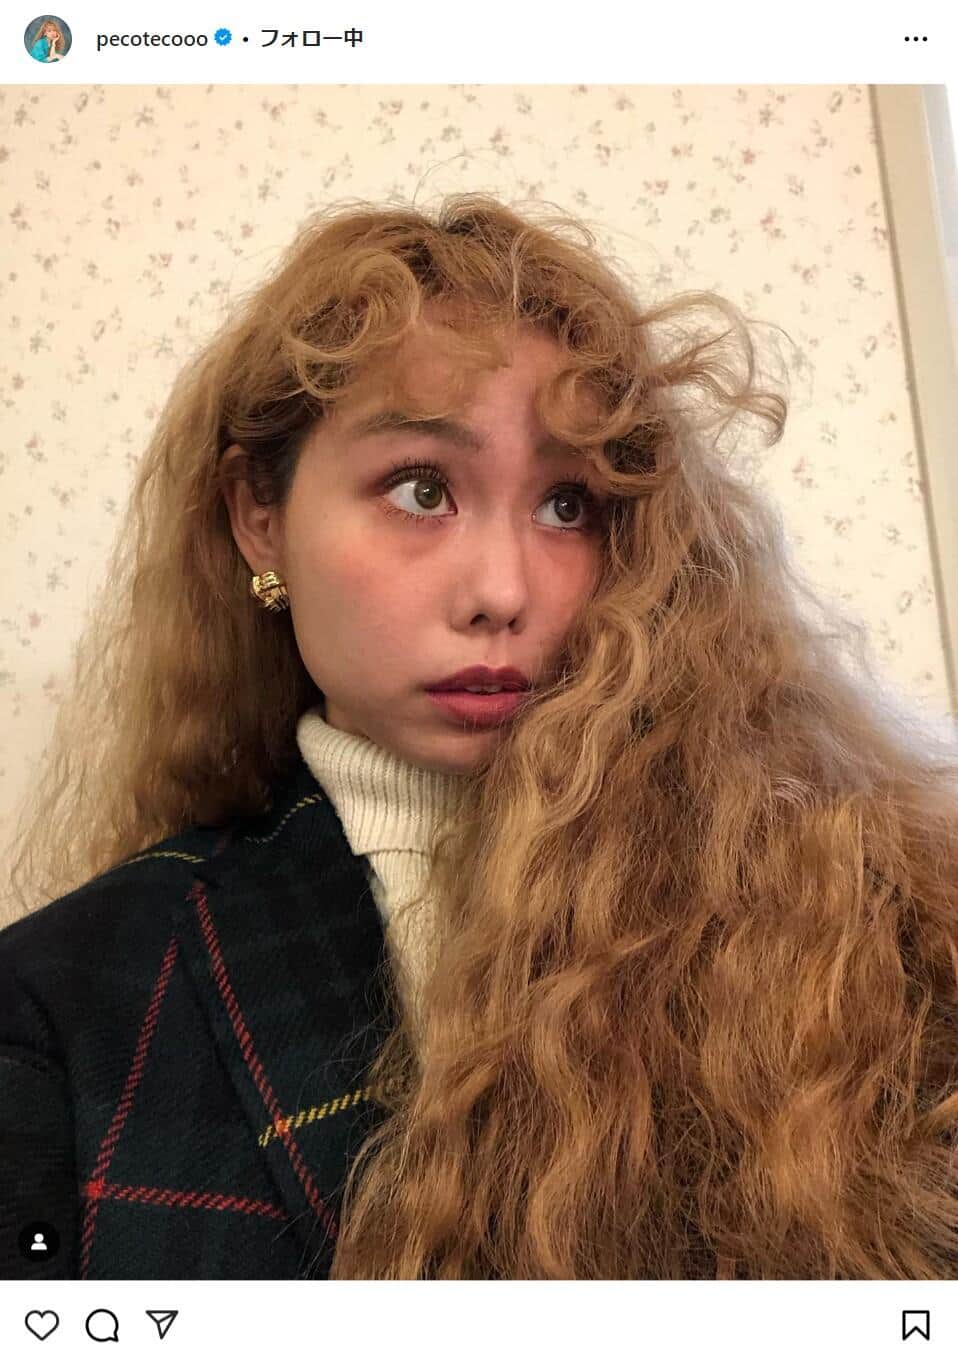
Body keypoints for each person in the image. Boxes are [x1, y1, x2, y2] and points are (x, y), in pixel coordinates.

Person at [2, 193, 958, 1281]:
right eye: (420, 489)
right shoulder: (67, 999)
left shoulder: (860, 906)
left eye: (569, 506)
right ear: (258, 518)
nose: (502, 592)